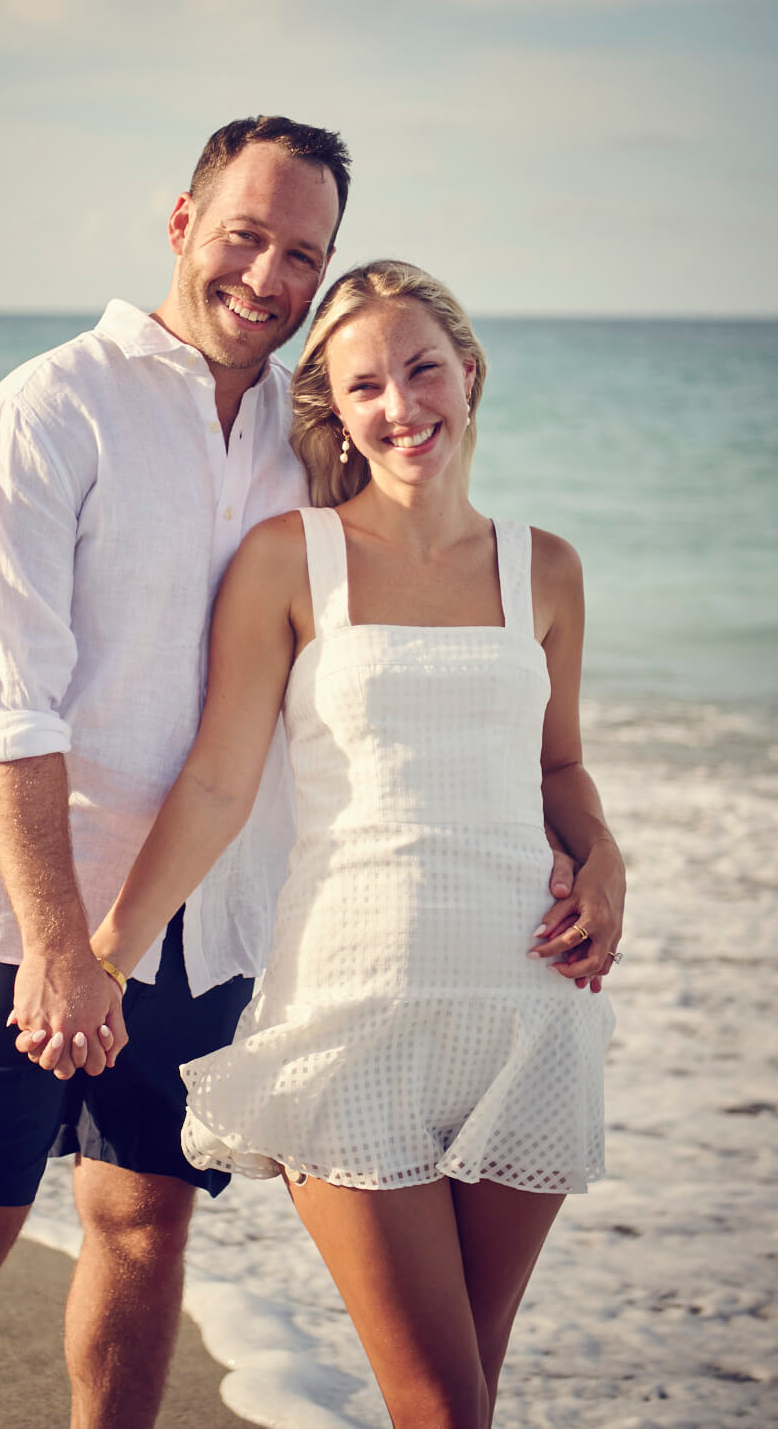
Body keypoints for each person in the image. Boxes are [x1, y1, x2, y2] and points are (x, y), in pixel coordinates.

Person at [0, 115, 353, 1429]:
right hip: (16, 916)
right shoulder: (49, 407)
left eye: (304, 255)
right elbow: (0, 706)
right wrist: (63, 947)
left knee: (141, 1229)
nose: (269, 278)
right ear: (181, 224)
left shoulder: (311, 446)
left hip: (208, 918)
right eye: (245, 236)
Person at [55, 260, 626, 1428]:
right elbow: (218, 782)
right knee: (439, 1404)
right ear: (336, 409)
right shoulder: (289, 557)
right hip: (348, 1009)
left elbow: (555, 766)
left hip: (523, 1002)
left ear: (466, 376)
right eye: (365, 385)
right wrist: (107, 950)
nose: (399, 403)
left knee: (471, 1379)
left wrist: (601, 852)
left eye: (421, 369)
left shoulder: (545, 570)